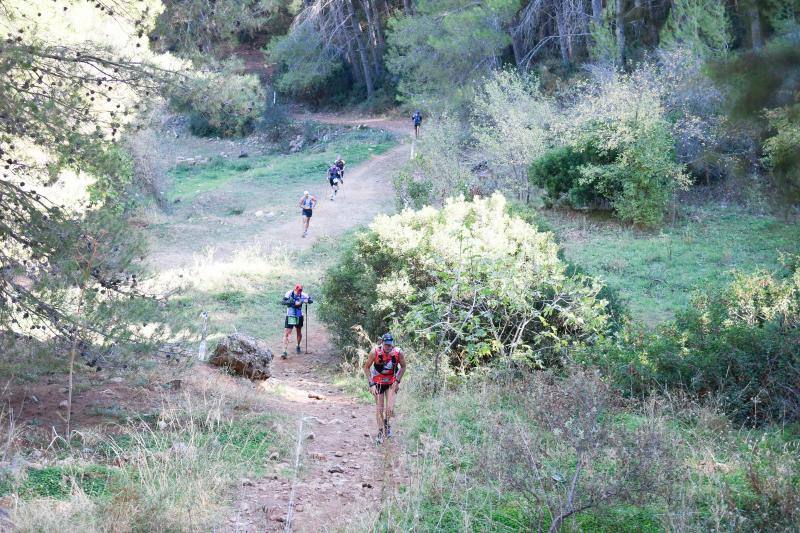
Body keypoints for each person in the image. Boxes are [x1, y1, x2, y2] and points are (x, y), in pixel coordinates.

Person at [363, 333, 406, 444]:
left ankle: (387, 424)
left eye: (390, 345)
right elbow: (366, 367)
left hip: (391, 382)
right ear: (382, 343)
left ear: (392, 344)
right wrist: (371, 384)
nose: (388, 347)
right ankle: (381, 431)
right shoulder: (375, 352)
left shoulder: (398, 352)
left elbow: (403, 366)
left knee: (390, 408)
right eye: (386, 345)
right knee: (379, 408)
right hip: (377, 383)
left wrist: (397, 381)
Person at [282, 284, 312, 358]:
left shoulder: (303, 295)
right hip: (290, 316)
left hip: (299, 316)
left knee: (299, 332)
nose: (298, 292)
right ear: (294, 289)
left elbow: (311, 300)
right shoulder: (289, 293)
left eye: (300, 291)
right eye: (297, 291)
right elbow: (283, 302)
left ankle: (298, 346)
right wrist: (290, 302)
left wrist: (304, 301)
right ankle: (284, 351)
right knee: (287, 333)